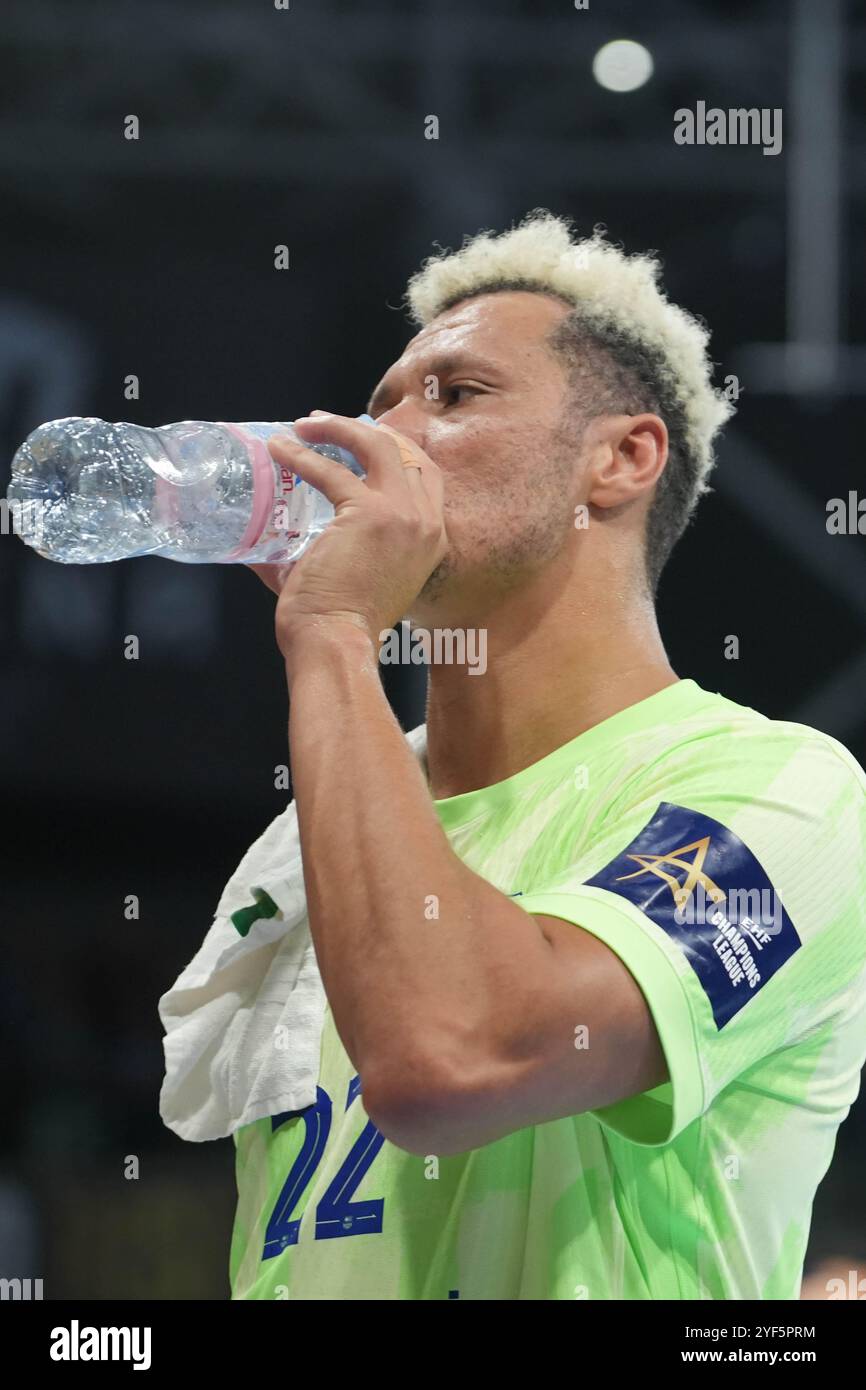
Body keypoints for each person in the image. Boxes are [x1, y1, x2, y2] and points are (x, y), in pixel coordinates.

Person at [212, 210, 866, 1298]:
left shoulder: (789, 799)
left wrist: (330, 638)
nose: (382, 441)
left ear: (619, 457)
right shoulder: (301, 840)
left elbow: (451, 1059)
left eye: (455, 395)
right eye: (378, 407)